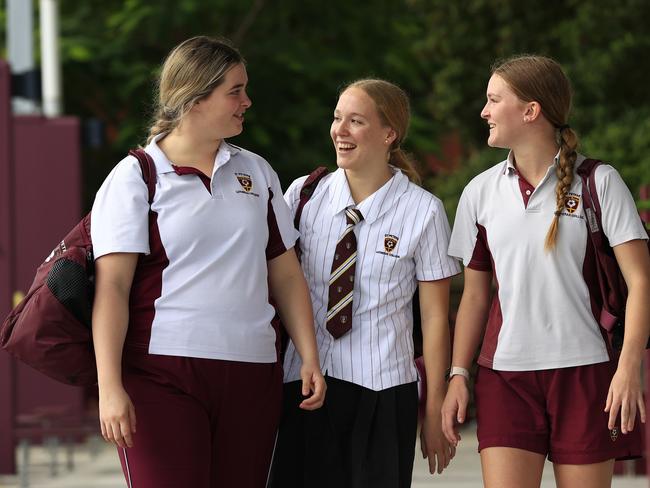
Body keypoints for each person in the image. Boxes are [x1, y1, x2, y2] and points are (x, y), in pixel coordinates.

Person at [90, 35, 326, 488]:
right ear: (195, 98)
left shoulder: (256, 171)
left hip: (252, 370)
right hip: (162, 373)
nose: (247, 101)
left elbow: (285, 270)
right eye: (235, 91)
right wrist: (109, 387)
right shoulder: (135, 176)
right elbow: (113, 289)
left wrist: (308, 355)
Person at [441, 54, 650, 488]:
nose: (484, 111)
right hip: (505, 379)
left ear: (530, 111)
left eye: (494, 100)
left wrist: (629, 366)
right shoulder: (478, 192)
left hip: (587, 374)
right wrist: (458, 374)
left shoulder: (600, 182)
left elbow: (641, 280)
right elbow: (476, 298)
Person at [270, 79, 460, 488]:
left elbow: (434, 318)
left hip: (384, 390)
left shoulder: (423, 212)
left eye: (355, 121)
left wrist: (432, 412)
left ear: (389, 133)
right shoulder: (303, 195)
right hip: (305, 384)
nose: (340, 130)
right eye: (338, 118)